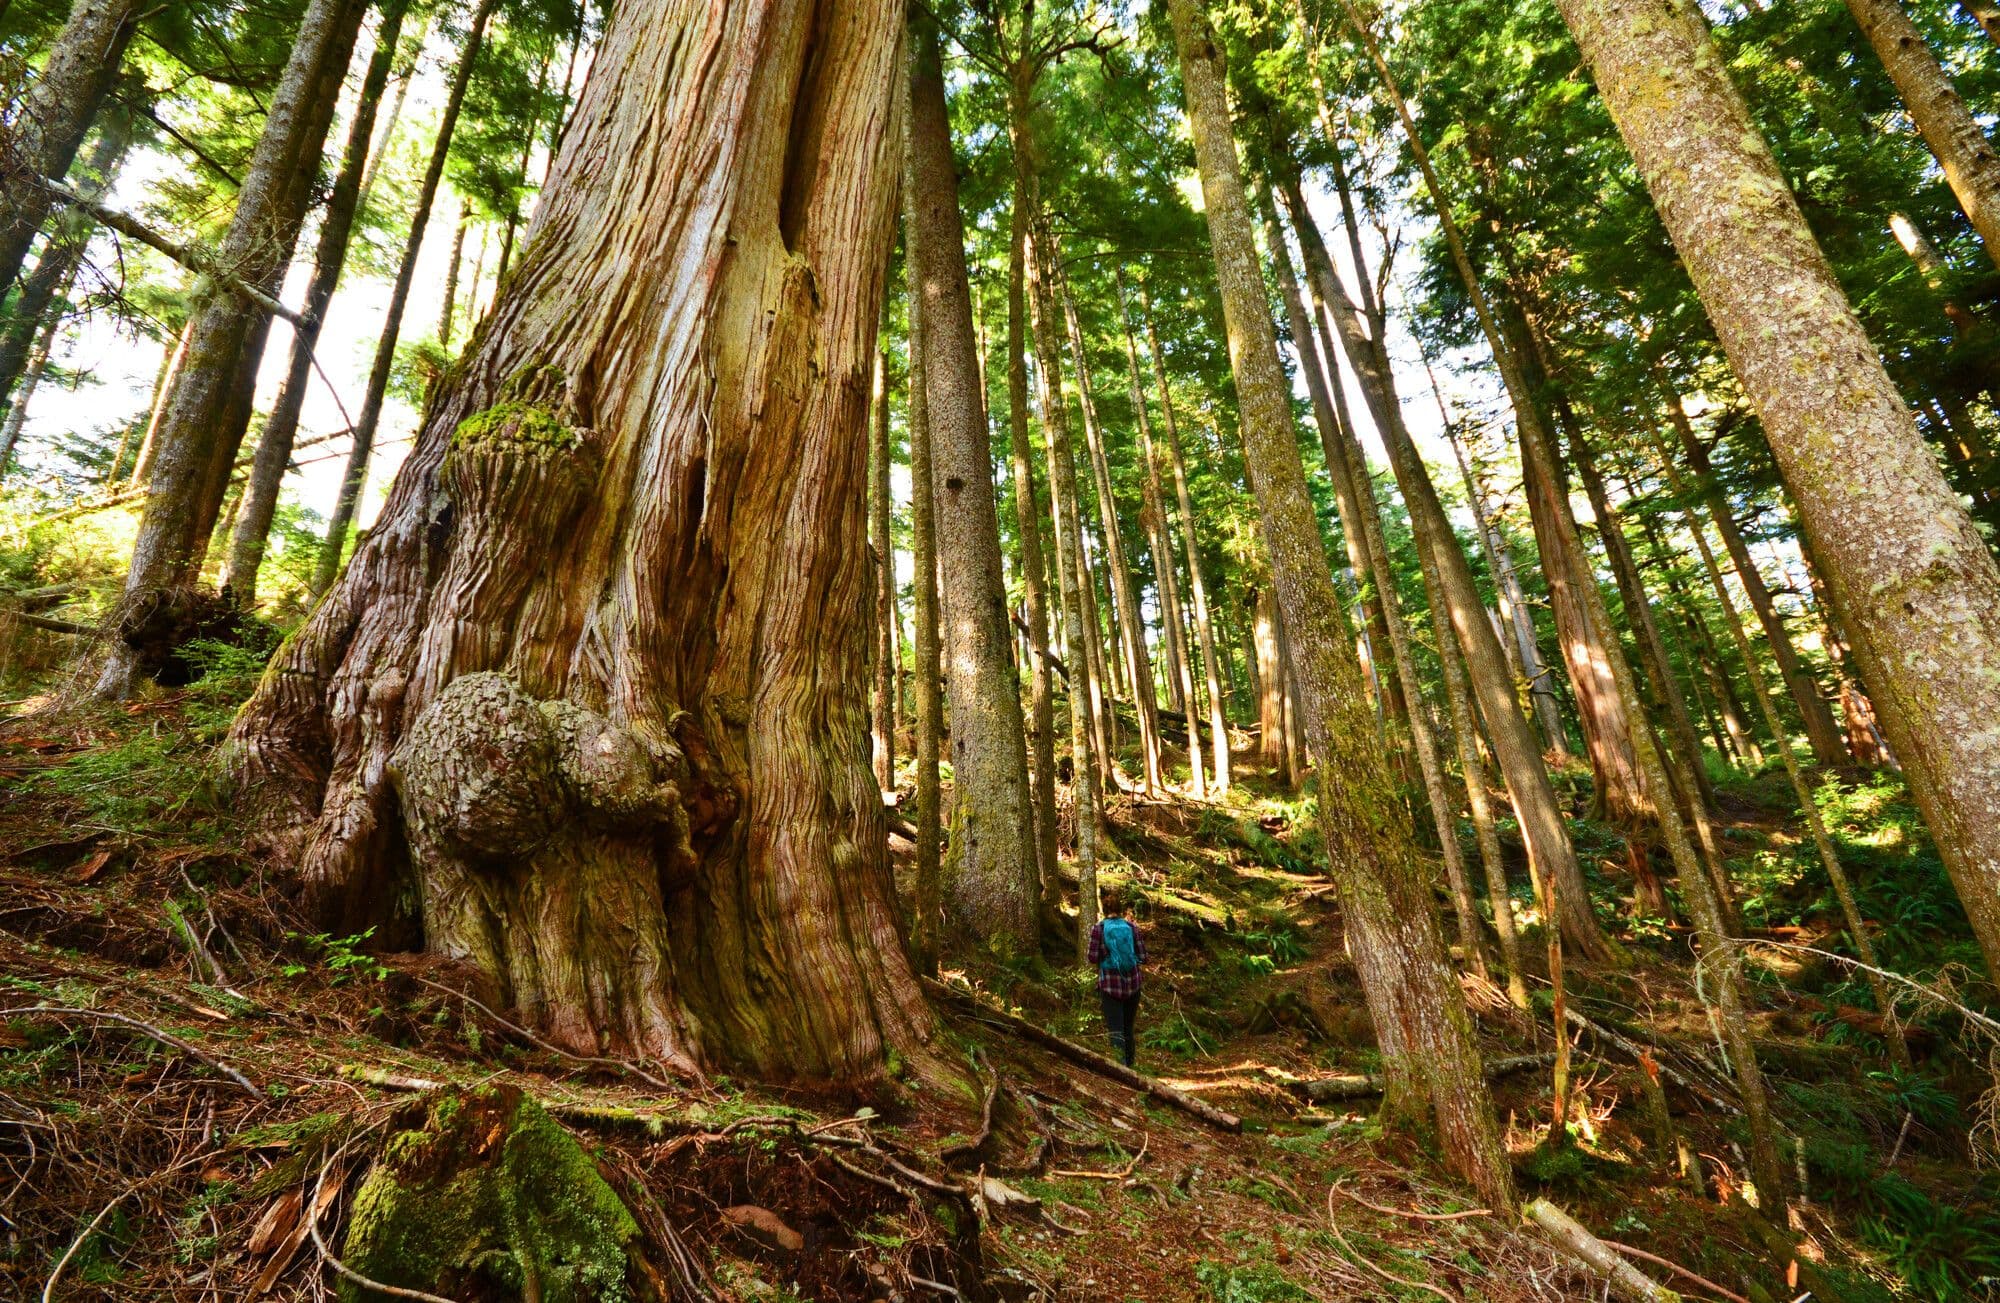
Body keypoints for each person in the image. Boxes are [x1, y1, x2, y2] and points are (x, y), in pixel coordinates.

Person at [1086, 888, 1145, 1068]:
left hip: (1110, 986)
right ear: (1120, 910)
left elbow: (1092, 957)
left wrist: (1106, 958)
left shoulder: (1099, 928)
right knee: (1128, 1028)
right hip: (1133, 985)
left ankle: (1121, 1070)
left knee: (1115, 1031)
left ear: (1104, 910)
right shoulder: (1132, 927)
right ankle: (1132, 1069)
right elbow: (1143, 956)